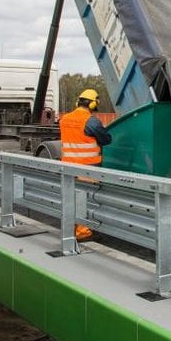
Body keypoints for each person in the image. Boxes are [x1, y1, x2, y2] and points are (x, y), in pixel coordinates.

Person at [58, 88, 111, 241]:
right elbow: (106, 139)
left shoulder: (65, 118)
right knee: (85, 199)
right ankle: (83, 232)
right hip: (87, 167)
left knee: (70, 197)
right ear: (93, 105)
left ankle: (69, 227)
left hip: (68, 165)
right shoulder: (91, 121)